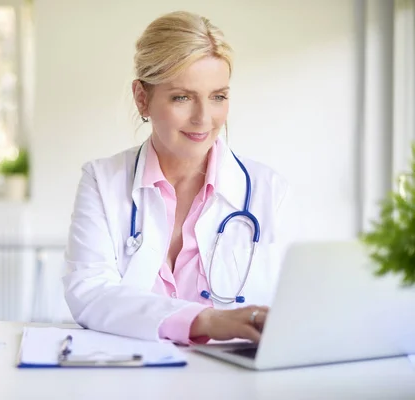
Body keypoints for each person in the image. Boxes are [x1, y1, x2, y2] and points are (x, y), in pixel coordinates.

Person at [62, 10, 289, 345]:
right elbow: (90, 292)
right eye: (182, 97)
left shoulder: (268, 189)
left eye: (218, 97)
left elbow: (291, 305)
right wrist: (204, 320)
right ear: (143, 98)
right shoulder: (102, 180)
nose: (203, 118)